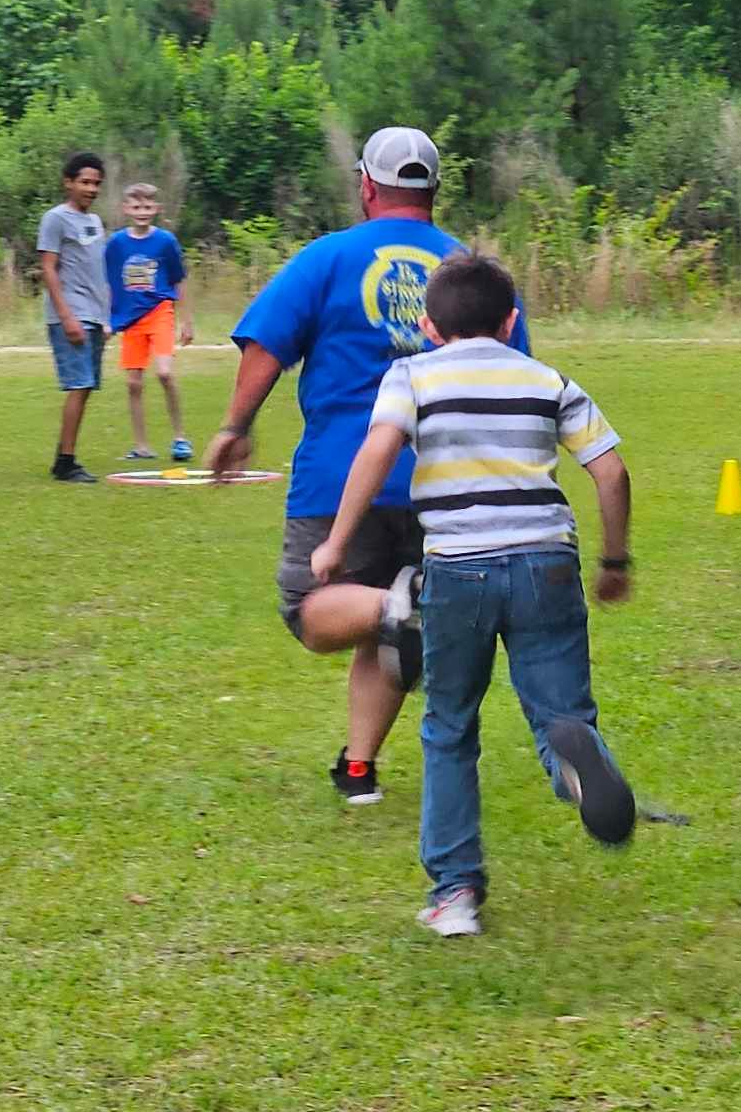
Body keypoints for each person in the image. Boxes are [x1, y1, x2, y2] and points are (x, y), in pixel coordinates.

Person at [310, 251, 635, 938]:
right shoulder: (548, 379)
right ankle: (580, 773)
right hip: (547, 563)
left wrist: (337, 543)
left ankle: (454, 893)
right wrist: (613, 560)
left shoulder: (412, 375)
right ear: (511, 321)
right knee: (562, 715)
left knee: (450, 727)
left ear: (428, 326)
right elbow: (610, 471)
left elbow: (377, 449)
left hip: (459, 569)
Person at [205, 127, 529, 806]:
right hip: (448, 483)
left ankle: (397, 605)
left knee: (316, 608)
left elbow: (266, 342)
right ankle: (358, 768)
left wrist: (236, 426)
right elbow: (514, 370)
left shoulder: (327, 258)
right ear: (434, 191)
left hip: (342, 475)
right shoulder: (470, 272)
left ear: (366, 186)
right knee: (388, 624)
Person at [104, 182, 195, 462]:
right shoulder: (117, 243)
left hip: (160, 311)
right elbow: (110, 283)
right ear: (126, 209)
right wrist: (108, 320)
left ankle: (180, 438)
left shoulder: (166, 241)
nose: (141, 212)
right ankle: (141, 445)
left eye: (147, 207)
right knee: (133, 383)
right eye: (136, 206)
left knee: (165, 373)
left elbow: (179, 280)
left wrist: (187, 321)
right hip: (131, 319)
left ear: (156, 209)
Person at [38, 152, 110, 484]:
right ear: (68, 182)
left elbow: (98, 271)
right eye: (85, 182)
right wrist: (66, 316)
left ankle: (63, 457)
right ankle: (65, 462)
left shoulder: (94, 222)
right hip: (70, 314)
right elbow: (49, 269)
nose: (91, 188)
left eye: (96, 183)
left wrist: (105, 317)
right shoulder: (55, 219)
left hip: (93, 315)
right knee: (79, 385)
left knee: (87, 386)